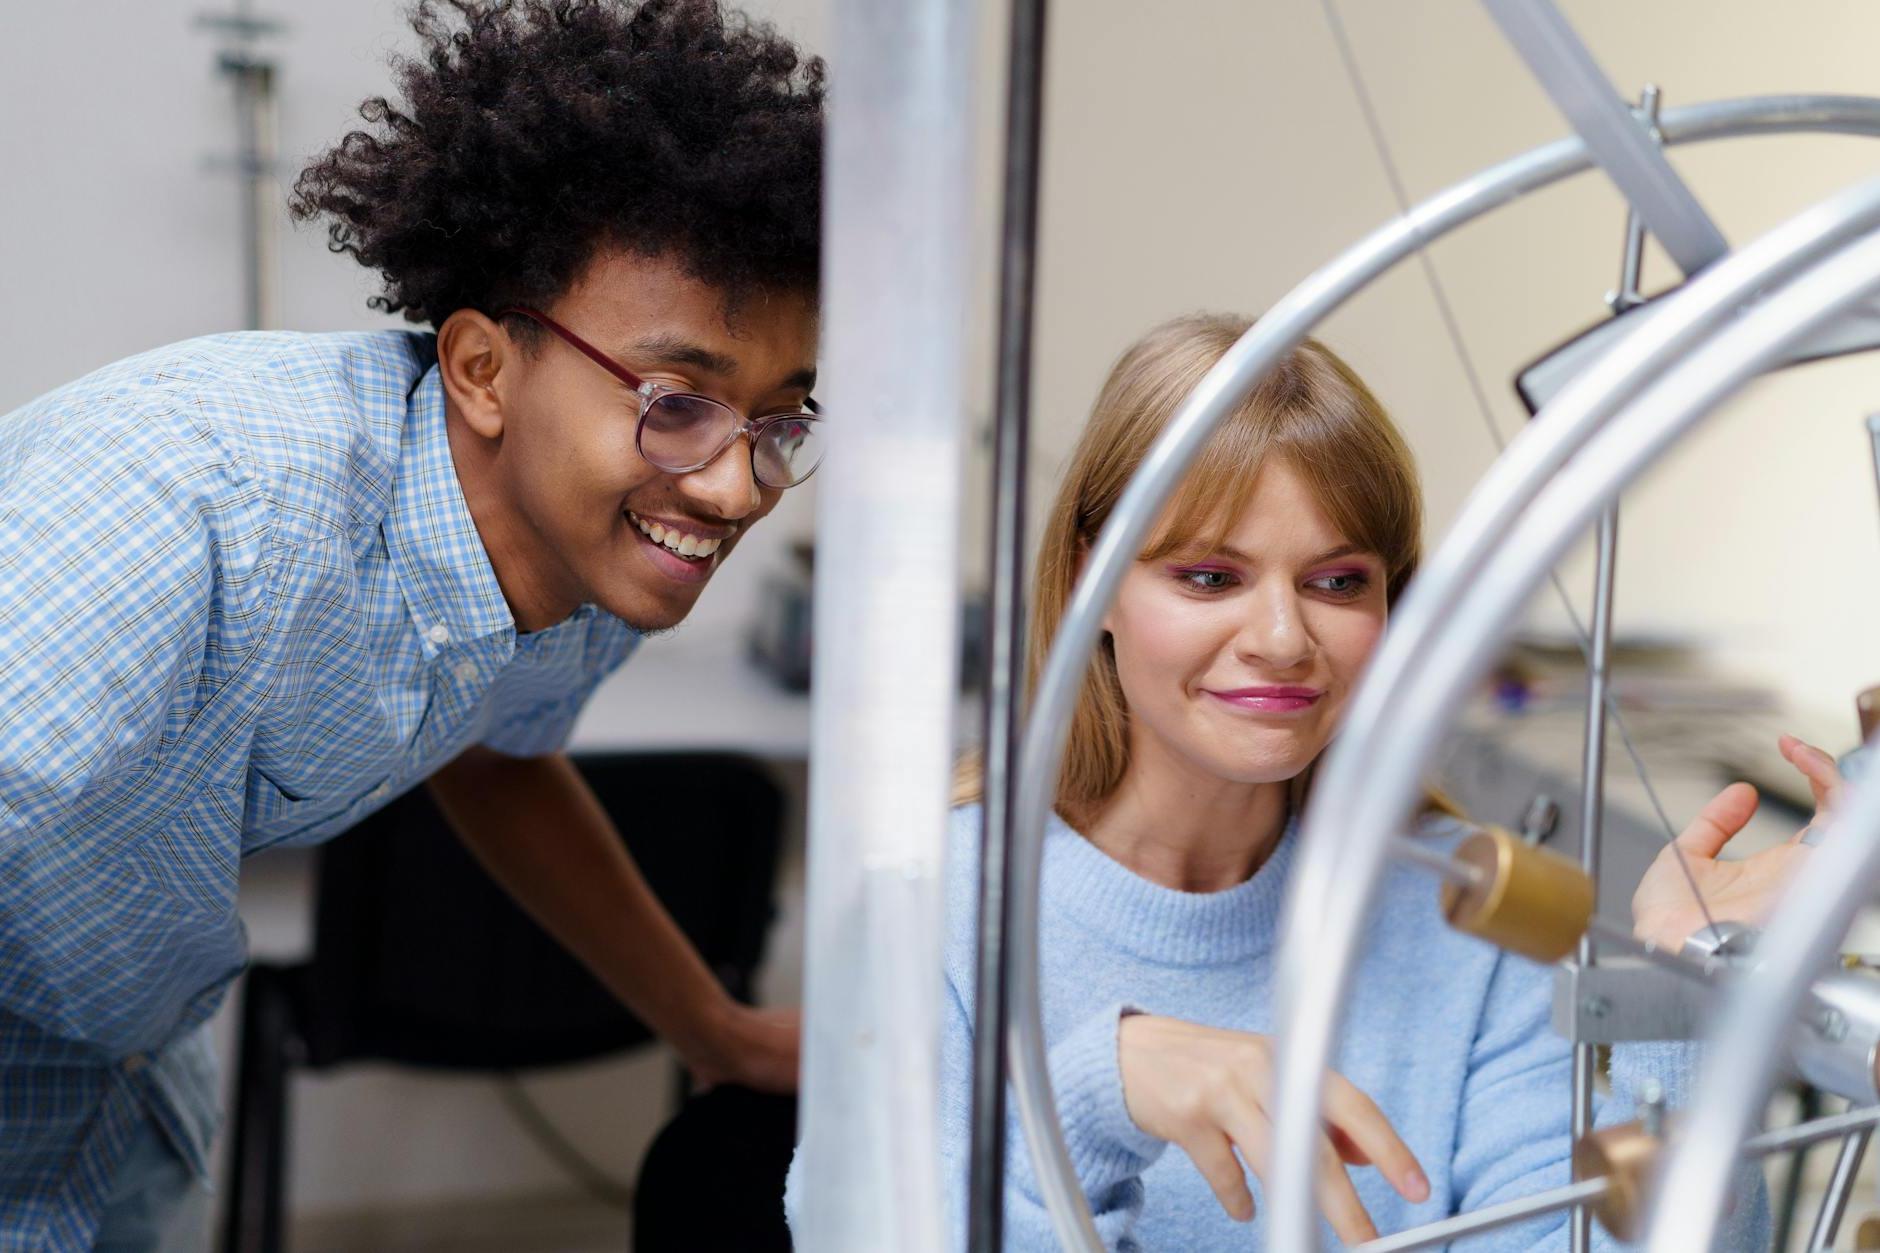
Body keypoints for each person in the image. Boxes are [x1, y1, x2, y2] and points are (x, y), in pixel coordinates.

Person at [0, 2, 822, 1247]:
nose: (731, 485)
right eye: (677, 401)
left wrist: (712, 1028)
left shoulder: (593, 558)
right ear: (484, 370)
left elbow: (497, 756)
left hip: (113, 1101)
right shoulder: (196, 497)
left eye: (776, 422)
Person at [791, 313, 1821, 1248]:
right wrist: (1096, 1099)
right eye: (1207, 576)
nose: (1282, 639)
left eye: (1335, 583)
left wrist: (1681, 1003)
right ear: (1088, 581)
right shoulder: (924, 910)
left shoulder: (1467, 921)